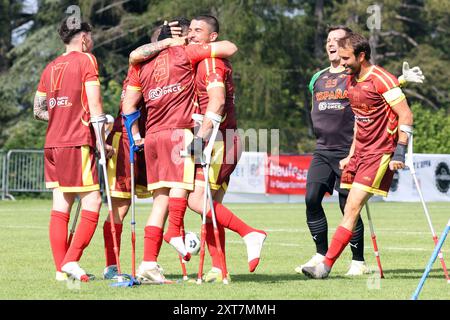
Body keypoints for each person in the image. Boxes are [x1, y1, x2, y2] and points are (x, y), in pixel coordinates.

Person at [296, 26, 424, 276]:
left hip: (380, 154)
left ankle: (330, 266)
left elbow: (406, 114)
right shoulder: (351, 80)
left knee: (351, 206)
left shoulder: (381, 77)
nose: (342, 64)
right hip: (357, 153)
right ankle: (329, 262)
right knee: (343, 206)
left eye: (346, 59)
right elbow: (360, 121)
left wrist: (400, 151)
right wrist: (352, 154)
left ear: (361, 56)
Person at [122, 18, 239, 283]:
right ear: (176, 39)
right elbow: (230, 48)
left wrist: (136, 137)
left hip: (151, 137)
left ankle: (148, 264)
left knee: (159, 202)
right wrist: (183, 43)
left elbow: (128, 107)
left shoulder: (139, 65)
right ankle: (177, 233)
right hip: (179, 133)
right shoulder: (184, 52)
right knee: (189, 197)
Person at [185, 15, 266, 282]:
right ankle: (220, 268)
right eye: (191, 30)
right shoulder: (203, 60)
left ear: (212, 38)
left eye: (199, 30)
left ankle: (249, 233)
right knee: (210, 205)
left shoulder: (209, 62)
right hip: (223, 138)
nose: (192, 34)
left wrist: (202, 138)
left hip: (218, 139)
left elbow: (217, 102)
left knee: (196, 200)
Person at [34, 17, 113, 282]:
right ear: (83, 37)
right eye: (90, 37)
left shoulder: (50, 66)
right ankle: (70, 261)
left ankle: (61, 270)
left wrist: (60, 115)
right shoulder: (86, 60)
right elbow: (96, 105)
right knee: (93, 201)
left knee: (61, 203)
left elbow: (38, 110)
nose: (91, 41)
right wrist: (103, 142)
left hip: (52, 144)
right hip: (75, 141)